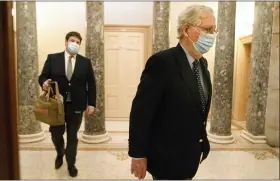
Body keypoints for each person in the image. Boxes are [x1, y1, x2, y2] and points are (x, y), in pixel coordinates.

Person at [128, 4, 217, 180]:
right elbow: (141, 112)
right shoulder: (162, 62)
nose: (212, 36)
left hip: (191, 154)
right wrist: (138, 154)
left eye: (214, 30)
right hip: (167, 158)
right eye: (207, 29)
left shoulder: (202, 64)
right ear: (186, 29)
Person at [38, 31, 96, 177]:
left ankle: (71, 163)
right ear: (65, 42)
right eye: (72, 40)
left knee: (72, 136)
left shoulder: (85, 62)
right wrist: (43, 83)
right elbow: (43, 76)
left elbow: (91, 84)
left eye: (78, 42)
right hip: (56, 105)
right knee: (56, 134)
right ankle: (59, 153)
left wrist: (92, 103)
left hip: (77, 105)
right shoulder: (53, 58)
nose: (75, 44)